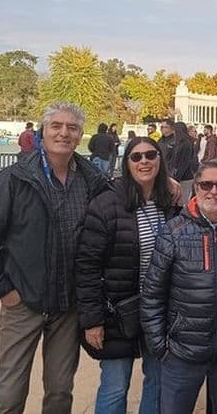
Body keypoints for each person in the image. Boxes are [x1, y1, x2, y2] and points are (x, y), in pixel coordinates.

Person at [0, 101, 109, 414]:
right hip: (24, 301)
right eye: (56, 126)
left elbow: (122, 204)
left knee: (60, 391)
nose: (64, 133)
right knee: (8, 394)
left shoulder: (91, 181)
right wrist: (3, 290)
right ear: (42, 132)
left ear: (80, 135)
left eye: (71, 128)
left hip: (67, 305)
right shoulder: (14, 179)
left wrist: (164, 183)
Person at [76, 136, 180, 414]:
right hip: (117, 311)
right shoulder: (107, 204)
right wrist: (92, 319)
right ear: (127, 163)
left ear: (160, 160)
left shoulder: (171, 203)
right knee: (115, 384)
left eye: (150, 155)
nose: (144, 161)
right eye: (136, 157)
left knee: (157, 382)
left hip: (160, 310)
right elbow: (87, 266)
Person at [141, 161, 217, 413]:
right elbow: (152, 294)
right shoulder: (173, 232)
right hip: (181, 354)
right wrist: (161, 346)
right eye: (206, 184)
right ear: (196, 189)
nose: (213, 191)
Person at [167, 122, 198, 204]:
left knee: (182, 201)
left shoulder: (186, 144)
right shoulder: (179, 143)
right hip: (180, 176)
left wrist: (176, 177)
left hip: (184, 177)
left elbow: (183, 163)